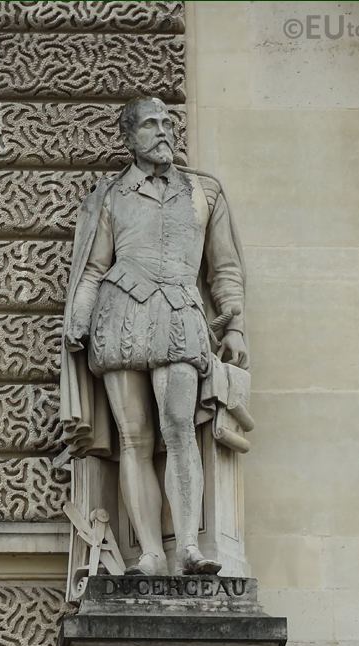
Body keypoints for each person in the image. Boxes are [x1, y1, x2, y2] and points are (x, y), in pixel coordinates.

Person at [60, 97, 248, 576]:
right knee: (134, 438)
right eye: (150, 124)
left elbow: (224, 268)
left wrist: (236, 324)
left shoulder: (203, 192)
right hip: (119, 316)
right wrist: (78, 319)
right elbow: (93, 268)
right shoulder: (110, 195)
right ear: (129, 136)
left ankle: (188, 546)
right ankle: (148, 551)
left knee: (181, 429)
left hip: (182, 312)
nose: (163, 131)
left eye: (168, 122)